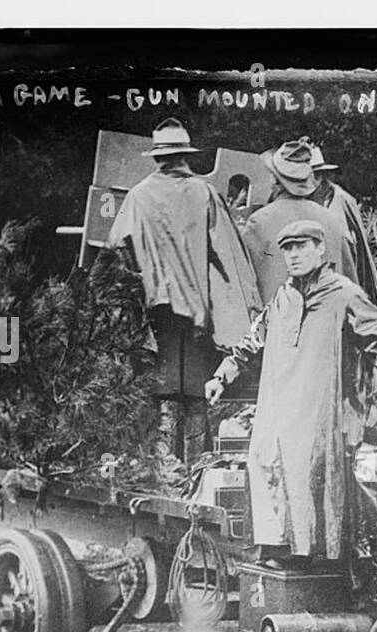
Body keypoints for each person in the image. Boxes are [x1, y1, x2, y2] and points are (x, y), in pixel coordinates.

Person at [205, 220, 377, 563]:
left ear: (320, 249)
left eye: (301, 246)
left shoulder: (343, 294)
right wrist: (222, 376)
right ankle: (277, 548)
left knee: (309, 471)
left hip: (319, 409)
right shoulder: (283, 297)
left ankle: (312, 555)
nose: (293, 255)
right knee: (265, 462)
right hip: (278, 407)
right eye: (288, 248)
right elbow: (252, 341)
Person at [104, 118, 261, 460]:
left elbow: (115, 252)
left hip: (153, 318)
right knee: (197, 395)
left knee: (160, 395)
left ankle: (162, 471)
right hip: (197, 317)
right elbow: (228, 259)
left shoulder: (137, 197)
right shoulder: (205, 194)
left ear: (158, 157)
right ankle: (195, 474)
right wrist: (237, 315)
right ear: (185, 157)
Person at [241, 138, 356, 303]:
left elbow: (245, 288)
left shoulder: (259, 222)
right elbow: (351, 284)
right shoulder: (331, 220)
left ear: (274, 180)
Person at [306, 140, 377, 313]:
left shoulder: (340, 201)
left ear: (321, 177)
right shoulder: (310, 201)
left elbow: (349, 248)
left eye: (312, 177)